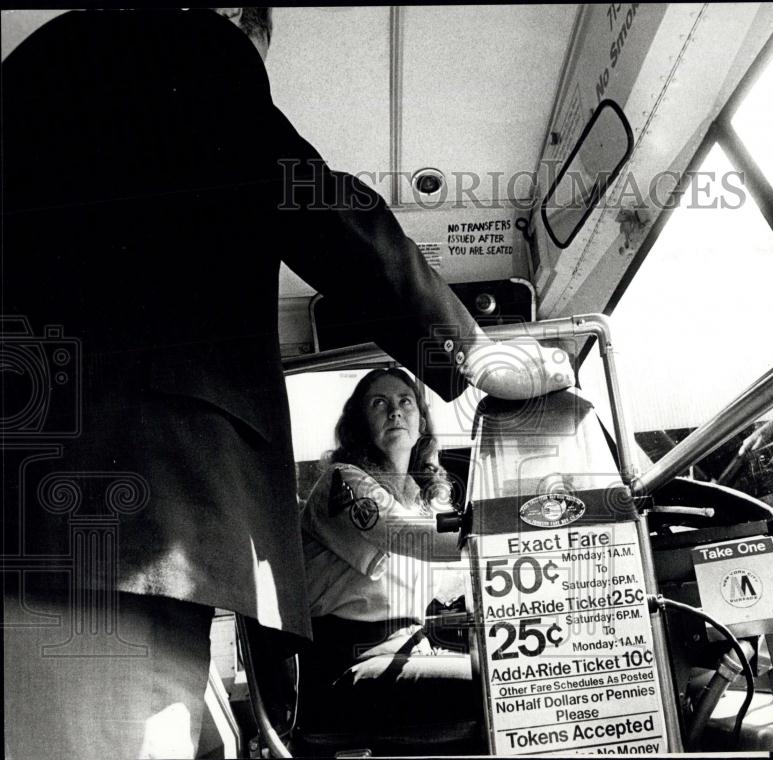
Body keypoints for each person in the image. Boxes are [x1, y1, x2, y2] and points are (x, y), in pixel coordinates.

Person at [1, 8, 572, 758]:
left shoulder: (39, 69)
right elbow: (316, 204)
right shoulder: (187, 46)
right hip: (116, 519)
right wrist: (468, 353)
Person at [297, 368, 476, 734]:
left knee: (514, 672)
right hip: (349, 667)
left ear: (421, 421)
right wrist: (498, 522)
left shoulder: (422, 498)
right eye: (379, 403)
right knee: (491, 686)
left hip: (406, 651)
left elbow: (457, 577)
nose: (395, 411)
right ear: (360, 424)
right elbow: (411, 535)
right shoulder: (343, 482)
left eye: (405, 402)